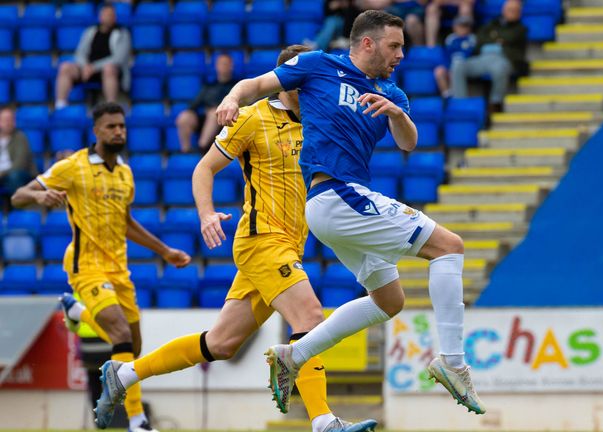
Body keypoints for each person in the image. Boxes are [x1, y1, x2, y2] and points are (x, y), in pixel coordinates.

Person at [91, 46, 378, 432]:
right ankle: (324, 422)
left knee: (222, 343)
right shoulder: (252, 118)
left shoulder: (318, 122)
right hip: (262, 240)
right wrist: (206, 213)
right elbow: (204, 169)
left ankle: (123, 375)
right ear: (288, 81)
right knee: (310, 317)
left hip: (290, 246)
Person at [216, 10, 485, 415]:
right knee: (449, 247)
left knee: (389, 300)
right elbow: (256, 83)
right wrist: (231, 98)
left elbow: (409, 143)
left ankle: (294, 355)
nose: (400, 55)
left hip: (337, 206)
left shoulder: (392, 93)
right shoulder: (316, 64)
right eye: (395, 46)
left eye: (403, 48)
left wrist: (397, 114)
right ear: (367, 43)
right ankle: (453, 363)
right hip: (337, 195)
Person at [11, 102, 191, 432]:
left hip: (119, 270)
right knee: (120, 334)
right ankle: (137, 421)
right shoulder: (73, 166)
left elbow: (126, 223)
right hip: (86, 266)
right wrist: (39, 198)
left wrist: (165, 251)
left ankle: (78, 312)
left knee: (133, 349)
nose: (118, 131)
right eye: (111, 126)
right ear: (96, 132)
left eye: (121, 126)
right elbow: (17, 196)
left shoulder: (124, 172)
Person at [450, 0, 527, 112]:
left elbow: (510, 37)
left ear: (519, 13)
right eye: (509, 10)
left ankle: (495, 103)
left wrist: (494, 38)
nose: (510, 12)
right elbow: (480, 38)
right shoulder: (493, 23)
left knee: (499, 69)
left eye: (514, 11)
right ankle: (460, 102)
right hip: (483, 57)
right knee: (458, 65)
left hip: (503, 58)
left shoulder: (521, 28)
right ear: (503, 10)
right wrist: (499, 40)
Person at [54, 4, 131, 108]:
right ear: (100, 16)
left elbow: (118, 58)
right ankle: (60, 105)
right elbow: (80, 53)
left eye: (111, 15)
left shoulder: (122, 33)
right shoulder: (90, 31)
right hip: (87, 69)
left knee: (109, 69)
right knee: (65, 67)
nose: (109, 17)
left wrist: (94, 67)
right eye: (106, 14)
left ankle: (111, 106)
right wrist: (85, 66)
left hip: (108, 70)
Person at [175, 53, 237, 153]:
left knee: (213, 113)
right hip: (205, 119)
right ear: (216, 66)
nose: (223, 66)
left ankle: (202, 147)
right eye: (221, 64)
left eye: (226, 64)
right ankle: (185, 151)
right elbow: (193, 105)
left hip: (227, 121)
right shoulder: (209, 86)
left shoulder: (237, 86)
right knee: (184, 117)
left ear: (231, 66)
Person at [0, 106, 37, 205]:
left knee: (14, 176)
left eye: (10, 119)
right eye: (5, 120)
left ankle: (21, 207)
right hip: (2, 176)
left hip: (20, 174)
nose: (8, 123)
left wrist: (1, 173)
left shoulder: (20, 137)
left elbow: (19, 164)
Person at [433, 15, 476, 98]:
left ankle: (456, 95)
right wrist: (447, 67)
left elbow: (472, 54)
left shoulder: (472, 38)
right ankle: (447, 95)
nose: (463, 29)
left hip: (465, 65)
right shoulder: (451, 39)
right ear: (455, 27)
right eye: (461, 26)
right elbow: (447, 55)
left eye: (465, 26)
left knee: (456, 68)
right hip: (451, 64)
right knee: (439, 71)